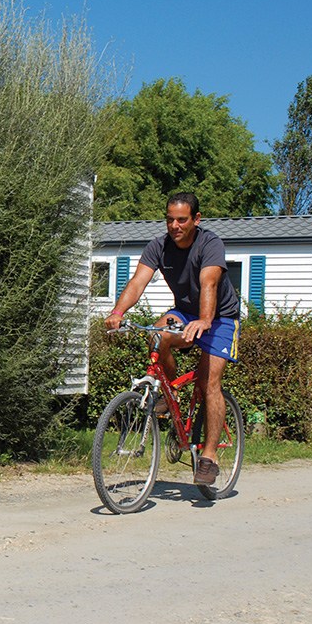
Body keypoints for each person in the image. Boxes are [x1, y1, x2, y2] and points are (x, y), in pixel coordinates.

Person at [105, 192, 240, 485]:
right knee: (156, 337)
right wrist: (118, 311)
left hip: (220, 317)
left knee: (209, 384)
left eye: (182, 219)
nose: (175, 225)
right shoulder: (159, 247)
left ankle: (209, 456)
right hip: (185, 312)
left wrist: (205, 320)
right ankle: (170, 393)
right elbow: (138, 281)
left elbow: (210, 283)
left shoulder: (210, 244)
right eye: (170, 219)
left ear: (196, 219)